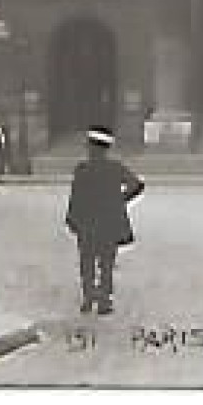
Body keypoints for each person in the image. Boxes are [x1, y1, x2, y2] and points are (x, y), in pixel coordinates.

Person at [65, 126, 145, 315]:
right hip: (109, 221)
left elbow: (75, 196)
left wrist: (71, 218)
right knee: (106, 263)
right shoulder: (115, 167)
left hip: (87, 222)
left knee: (87, 262)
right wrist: (121, 200)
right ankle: (104, 301)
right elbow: (137, 184)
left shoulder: (82, 168)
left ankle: (88, 298)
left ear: (92, 148)